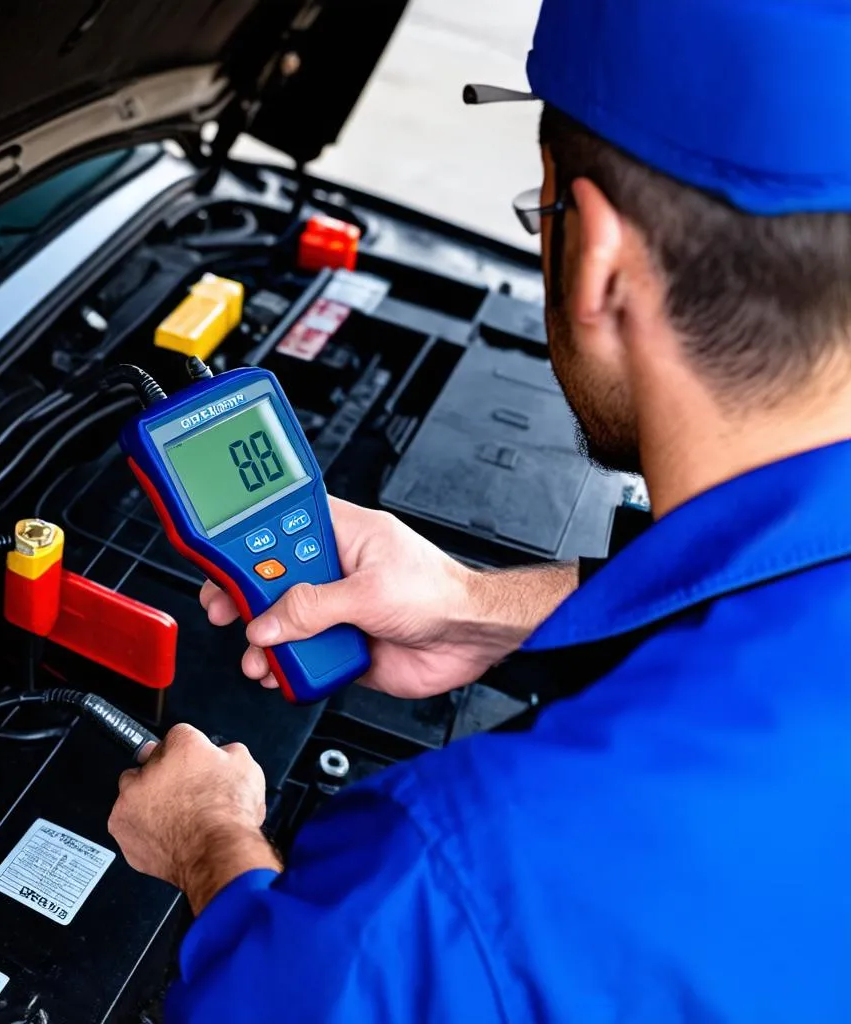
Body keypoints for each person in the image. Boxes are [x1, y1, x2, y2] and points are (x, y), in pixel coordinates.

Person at [108, 0, 851, 1019]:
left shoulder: (463, 878)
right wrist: (476, 604)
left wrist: (209, 843)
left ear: (592, 256)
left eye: (537, 215)